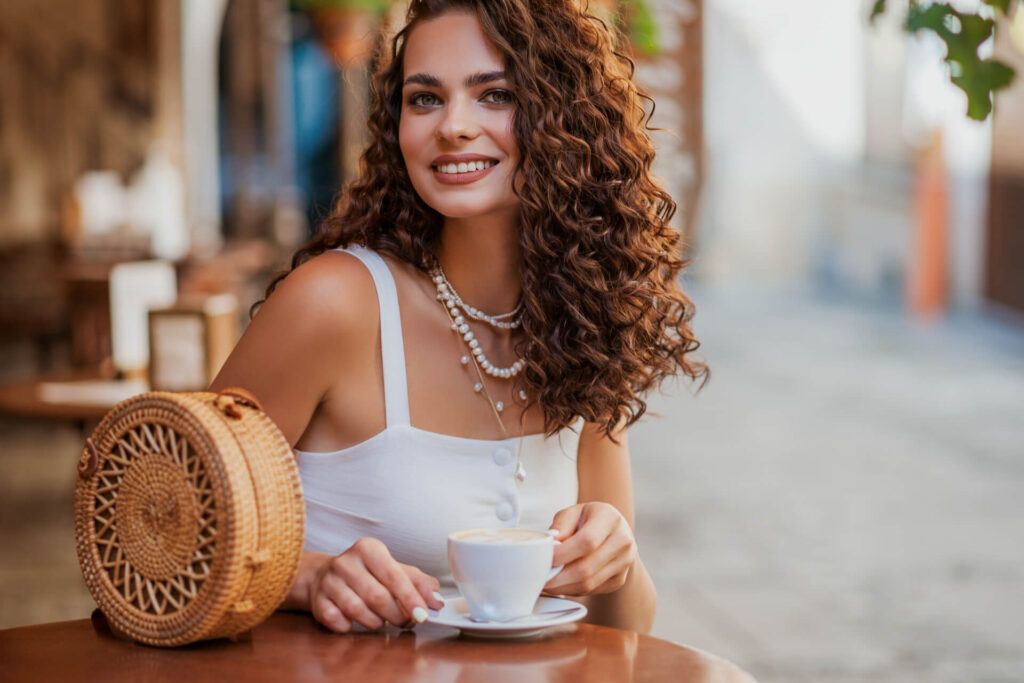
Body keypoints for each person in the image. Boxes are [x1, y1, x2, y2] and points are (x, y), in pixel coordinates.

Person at [210, 0, 705, 635]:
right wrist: (306, 575)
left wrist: (618, 562)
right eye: (424, 99)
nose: (453, 126)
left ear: (568, 117)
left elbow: (623, 636)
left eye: (494, 94)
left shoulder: (584, 326)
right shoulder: (335, 303)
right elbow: (166, 517)